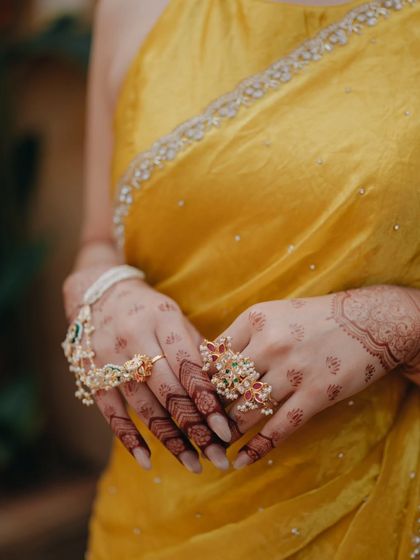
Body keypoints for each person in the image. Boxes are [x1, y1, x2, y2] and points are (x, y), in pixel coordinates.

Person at [62, 0, 420, 558]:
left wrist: (395, 323)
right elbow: (97, 241)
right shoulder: (133, 9)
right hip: (147, 519)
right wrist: (100, 293)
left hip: (374, 510)